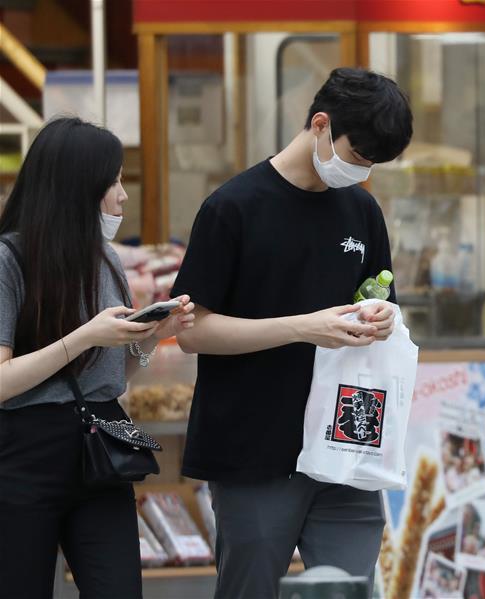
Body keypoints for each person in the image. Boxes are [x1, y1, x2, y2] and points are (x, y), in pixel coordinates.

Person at [171, 67, 413, 599]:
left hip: (348, 447)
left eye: (373, 164)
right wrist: (304, 328)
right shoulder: (233, 207)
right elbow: (192, 331)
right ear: (320, 125)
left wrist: (383, 318)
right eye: (357, 156)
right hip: (254, 449)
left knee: (351, 590)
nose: (362, 172)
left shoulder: (362, 210)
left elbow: (379, 298)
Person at [0, 117, 194, 598]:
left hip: (102, 442)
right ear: (77, 187)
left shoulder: (106, 261)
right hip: (24, 453)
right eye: (114, 181)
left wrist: (151, 336)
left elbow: (109, 378)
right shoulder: (9, 261)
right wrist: (85, 336)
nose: (123, 196)